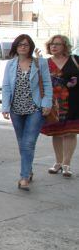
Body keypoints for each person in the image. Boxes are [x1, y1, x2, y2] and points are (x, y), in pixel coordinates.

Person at [1, 34, 52, 190]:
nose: (23, 47)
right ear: (16, 47)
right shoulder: (10, 64)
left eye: (26, 44)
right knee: (22, 143)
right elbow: (6, 87)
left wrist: (46, 103)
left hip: (35, 108)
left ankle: (24, 178)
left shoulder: (39, 63)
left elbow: (48, 85)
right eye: (20, 44)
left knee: (28, 143)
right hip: (16, 109)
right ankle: (28, 171)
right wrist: (5, 106)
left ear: (30, 47)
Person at [40, 34, 79, 177]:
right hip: (53, 104)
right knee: (56, 133)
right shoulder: (45, 63)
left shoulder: (75, 60)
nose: (54, 46)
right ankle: (58, 162)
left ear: (65, 46)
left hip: (73, 102)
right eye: (51, 44)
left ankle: (66, 164)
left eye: (57, 44)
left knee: (70, 132)